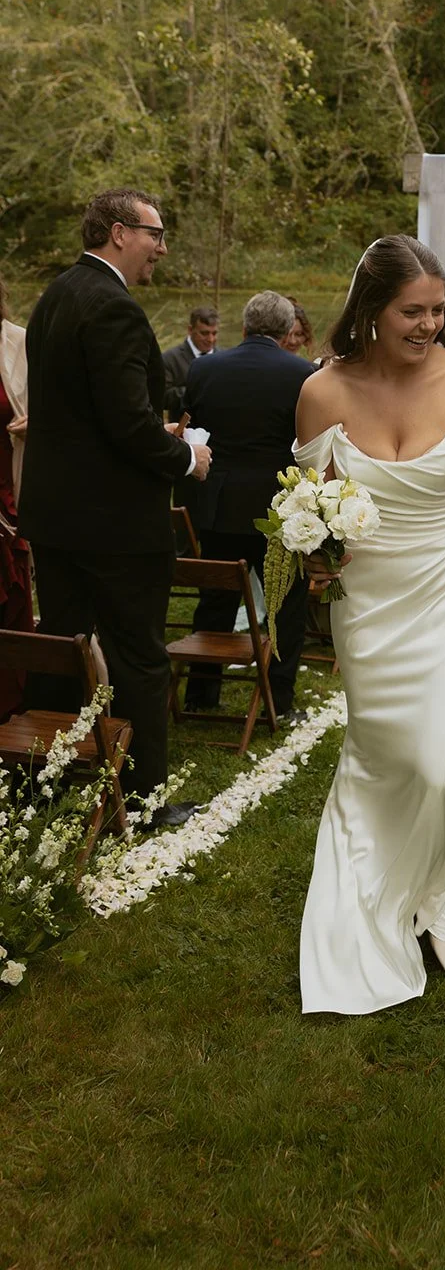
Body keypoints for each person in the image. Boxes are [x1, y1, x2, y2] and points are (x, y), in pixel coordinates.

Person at [294, 235, 445, 1012]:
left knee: (436, 756)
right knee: (388, 752)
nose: (428, 324)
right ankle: (384, 901)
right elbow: (314, 507)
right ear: (369, 311)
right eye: (411, 311)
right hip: (370, 598)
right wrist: (316, 560)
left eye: (436, 310)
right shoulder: (322, 394)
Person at [19, 189, 211, 826]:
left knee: (61, 644)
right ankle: (148, 800)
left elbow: (83, 416)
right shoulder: (114, 309)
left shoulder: (56, 297)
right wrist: (186, 460)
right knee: (138, 656)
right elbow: (128, 428)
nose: (161, 248)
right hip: (115, 527)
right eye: (156, 233)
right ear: (119, 232)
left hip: (56, 516)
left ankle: (39, 786)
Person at [183, 292, 315, 719]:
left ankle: (201, 696)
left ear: (244, 326)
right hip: (278, 508)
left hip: (219, 503)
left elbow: (194, 426)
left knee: (216, 599)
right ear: (285, 330)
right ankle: (277, 701)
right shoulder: (301, 373)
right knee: (285, 605)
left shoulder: (204, 368)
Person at [0, 272, 32, 722]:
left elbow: (49, 405)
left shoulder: (18, 342)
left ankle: (10, 713)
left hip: (8, 491)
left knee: (12, 603)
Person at [162, 305, 219, 419]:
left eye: (214, 333)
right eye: (204, 333)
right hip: (184, 432)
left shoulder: (224, 357)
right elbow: (162, 398)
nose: (210, 339)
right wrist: (196, 390)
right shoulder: (170, 358)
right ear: (190, 330)